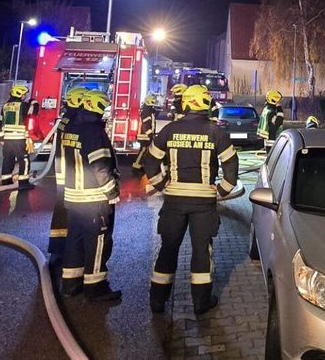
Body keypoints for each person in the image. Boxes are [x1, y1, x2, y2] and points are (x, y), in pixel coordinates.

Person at [143, 84, 239, 315]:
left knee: (168, 248)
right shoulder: (216, 132)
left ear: (186, 103)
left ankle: (157, 301)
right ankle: (200, 303)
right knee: (201, 251)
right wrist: (222, 190)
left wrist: (160, 184)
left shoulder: (170, 130)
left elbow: (151, 161)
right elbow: (231, 165)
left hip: (174, 201)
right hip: (203, 203)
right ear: (206, 104)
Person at [58, 90, 123, 302]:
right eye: (103, 108)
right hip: (93, 199)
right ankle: (95, 288)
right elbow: (100, 166)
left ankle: (70, 283)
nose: (105, 112)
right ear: (96, 107)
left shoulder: (71, 128)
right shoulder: (94, 132)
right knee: (97, 242)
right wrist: (111, 191)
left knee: (74, 240)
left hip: (73, 197)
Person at [49, 87, 90, 264]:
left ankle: (58, 248)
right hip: (73, 176)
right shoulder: (76, 121)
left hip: (63, 173)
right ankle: (69, 251)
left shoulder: (66, 118)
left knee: (61, 212)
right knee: (74, 214)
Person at [0, 84, 34, 188]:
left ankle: (6, 181)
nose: (25, 96)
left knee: (7, 160)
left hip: (7, 139)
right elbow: (34, 112)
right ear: (20, 94)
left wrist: (1, 138)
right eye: (24, 94)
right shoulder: (23, 105)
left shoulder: (5, 106)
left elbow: (0, 122)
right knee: (24, 160)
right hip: (19, 138)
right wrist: (33, 102)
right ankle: (23, 183)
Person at [133, 94, 159, 171]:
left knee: (145, 150)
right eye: (153, 102)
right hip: (145, 135)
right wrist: (150, 134)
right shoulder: (147, 111)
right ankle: (136, 166)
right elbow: (145, 125)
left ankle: (140, 165)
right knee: (143, 149)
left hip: (145, 135)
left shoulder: (147, 110)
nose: (154, 104)